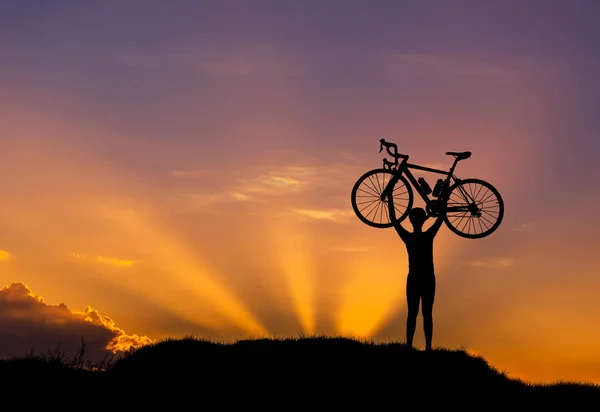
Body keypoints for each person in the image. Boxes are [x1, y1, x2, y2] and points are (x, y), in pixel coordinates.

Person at [387, 198, 446, 351]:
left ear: (411, 221)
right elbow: (441, 217)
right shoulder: (427, 235)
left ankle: (412, 345)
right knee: (425, 313)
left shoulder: (409, 237)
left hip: (416, 278)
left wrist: (390, 199)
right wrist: (443, 201)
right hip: (425, 278)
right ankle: (426, 347)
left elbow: (393, 219)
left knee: (414, 313)